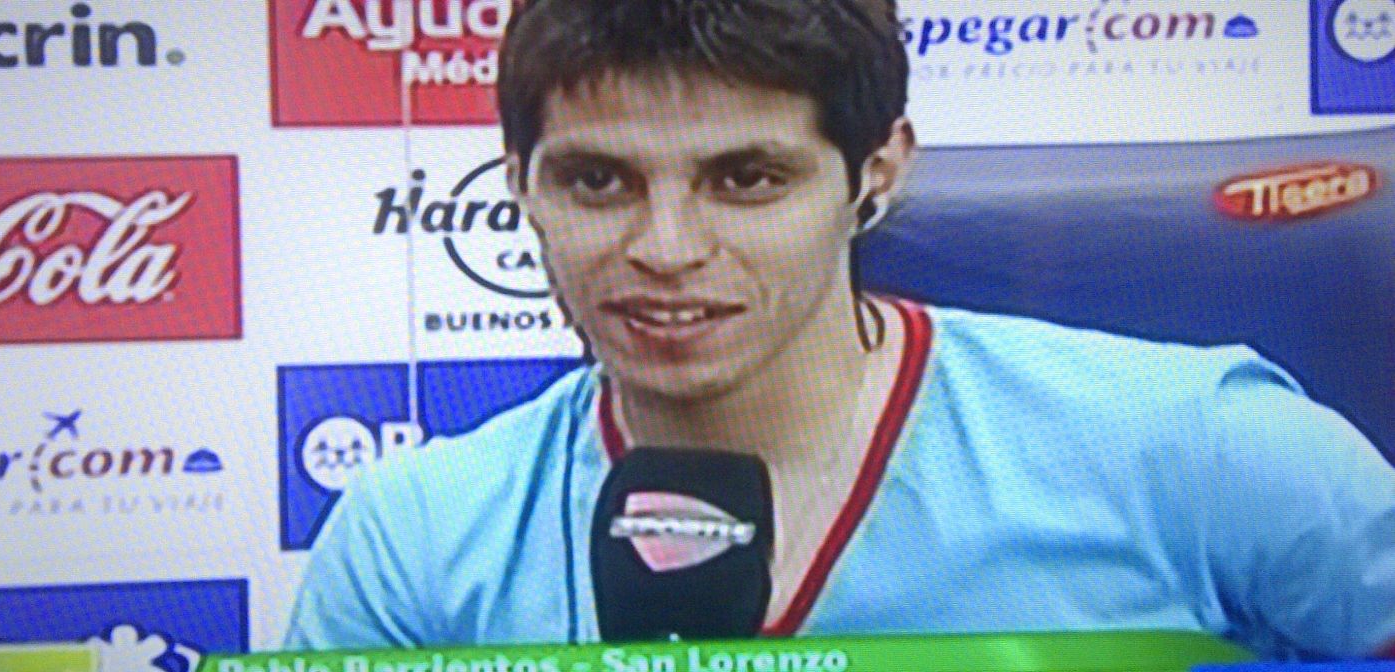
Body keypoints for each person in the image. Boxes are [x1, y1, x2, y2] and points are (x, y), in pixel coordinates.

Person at [285, 0, 1395, 658]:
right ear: (520, 185)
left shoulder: (1199, 448)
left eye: (745, 178)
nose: (664, 247)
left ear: (876, 173)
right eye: (597, 180)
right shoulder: (414, 538)